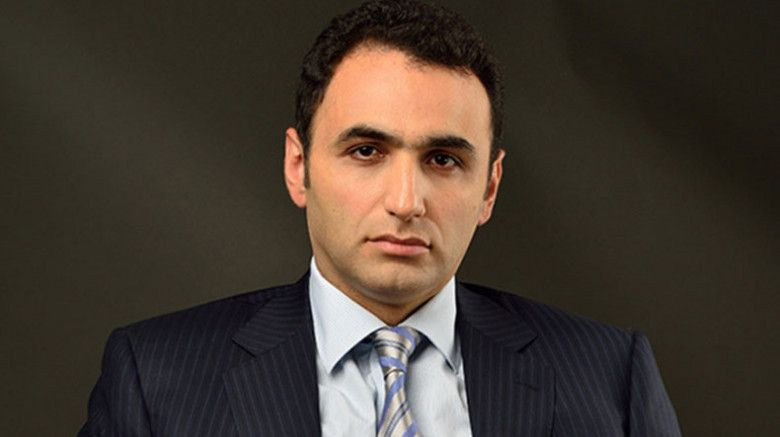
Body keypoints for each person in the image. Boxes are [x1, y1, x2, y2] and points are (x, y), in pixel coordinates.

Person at [79, 1, 680, 436]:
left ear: (490, 188)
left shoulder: (608, 376)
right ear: (298, 167)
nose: (406, 200)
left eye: (443, 159)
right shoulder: (156, 380)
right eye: (366, 151)